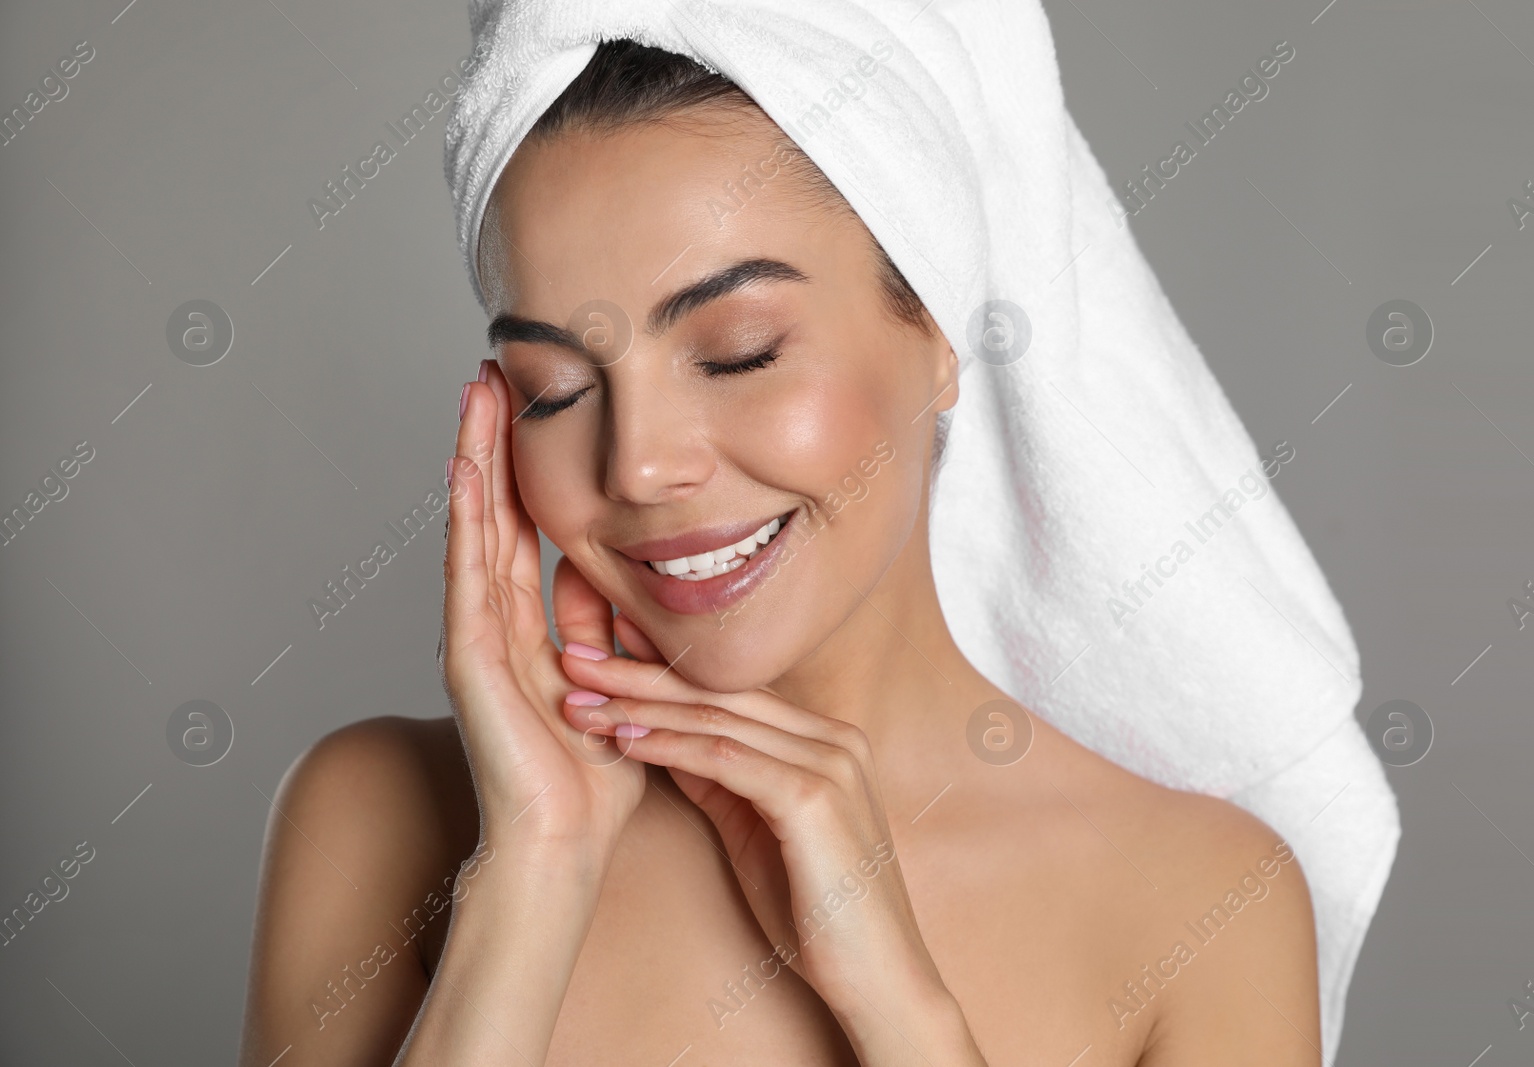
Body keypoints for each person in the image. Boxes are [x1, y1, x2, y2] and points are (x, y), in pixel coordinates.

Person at [239, 40, 1320, 1066]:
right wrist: (532, 871)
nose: (640, 466)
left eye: (736, 352)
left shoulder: (1202, 902)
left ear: (939, 331)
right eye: (554, 389)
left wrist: (902, 1007)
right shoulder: (377, 813)